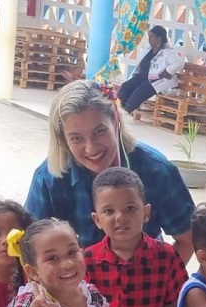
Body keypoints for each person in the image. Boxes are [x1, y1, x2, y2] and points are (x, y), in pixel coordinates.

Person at [25, 79, 195, 261]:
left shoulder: (157, 170)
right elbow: (30, 249)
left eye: (99, 132)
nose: (91, 148)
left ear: (116, 122)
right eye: (76, 138)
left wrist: (160, 282)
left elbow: (188, 238)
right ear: (63, 141)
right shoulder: (48, 179)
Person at [83, 168, 187, 307]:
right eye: (109, 211)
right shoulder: (86, 262)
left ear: (146, 212)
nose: (120, 217)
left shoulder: (166, 257)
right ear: (97, 219)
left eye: (130, 208)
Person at [117, 25, 185, 114]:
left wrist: (167, 71)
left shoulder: (168, 52)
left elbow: (179, 63)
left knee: (139, 92)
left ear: (159, 38)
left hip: (157, 81)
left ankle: (124, 113)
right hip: (142, 78)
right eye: (149, 36)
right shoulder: (148, 50)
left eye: (152, 36)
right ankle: (117, 110)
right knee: (126, 86)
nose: (149, 39)